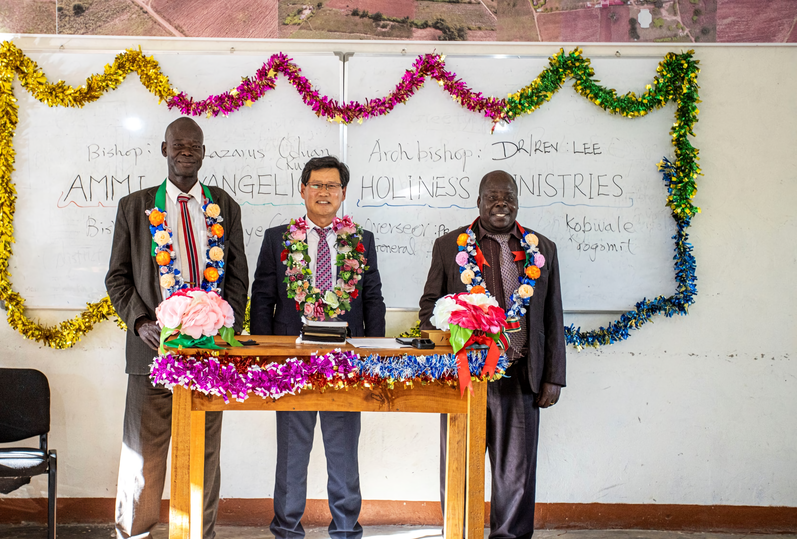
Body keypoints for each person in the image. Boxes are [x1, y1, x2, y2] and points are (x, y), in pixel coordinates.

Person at [105, 117, 249, 539]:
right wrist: (141, 322)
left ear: (203, 153)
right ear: (163, 149)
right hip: (151, 353)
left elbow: (238, 277)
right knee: (143, 455)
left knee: (204, 454)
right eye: (179, 144)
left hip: (209, 353)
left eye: (195, 146)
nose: (187, 151)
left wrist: (225, 323)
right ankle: (135, 533)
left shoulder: (225, 205)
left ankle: (197, 534)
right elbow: (117, 277)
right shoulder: (135, 207)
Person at [418, 170, 565, 539]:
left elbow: (553, 315)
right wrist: (444, 356)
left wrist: (553, 376)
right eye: (493, 197)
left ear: (518, 200)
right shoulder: (449, 245)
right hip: (467, 375)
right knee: (459, 466)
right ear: (479, 201)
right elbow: (429, 307)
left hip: (520, 374)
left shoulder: (542, 249)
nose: (501, 203)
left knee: (516, 471)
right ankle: (459, 534)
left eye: (509, 196)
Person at [250, 155, 386, 539]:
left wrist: (372, 355)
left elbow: (373, 299)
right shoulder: (277, 239)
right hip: (291, 362)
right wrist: (265, 356)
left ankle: (345, 530)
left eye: (332, 186)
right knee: (292, 454)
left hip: (345, 361)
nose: (323, 193)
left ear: (343, 193)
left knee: (343, 454)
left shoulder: (361, 240)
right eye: (316, 185)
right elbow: (262, 299)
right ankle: (287, 530)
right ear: (303, 190)